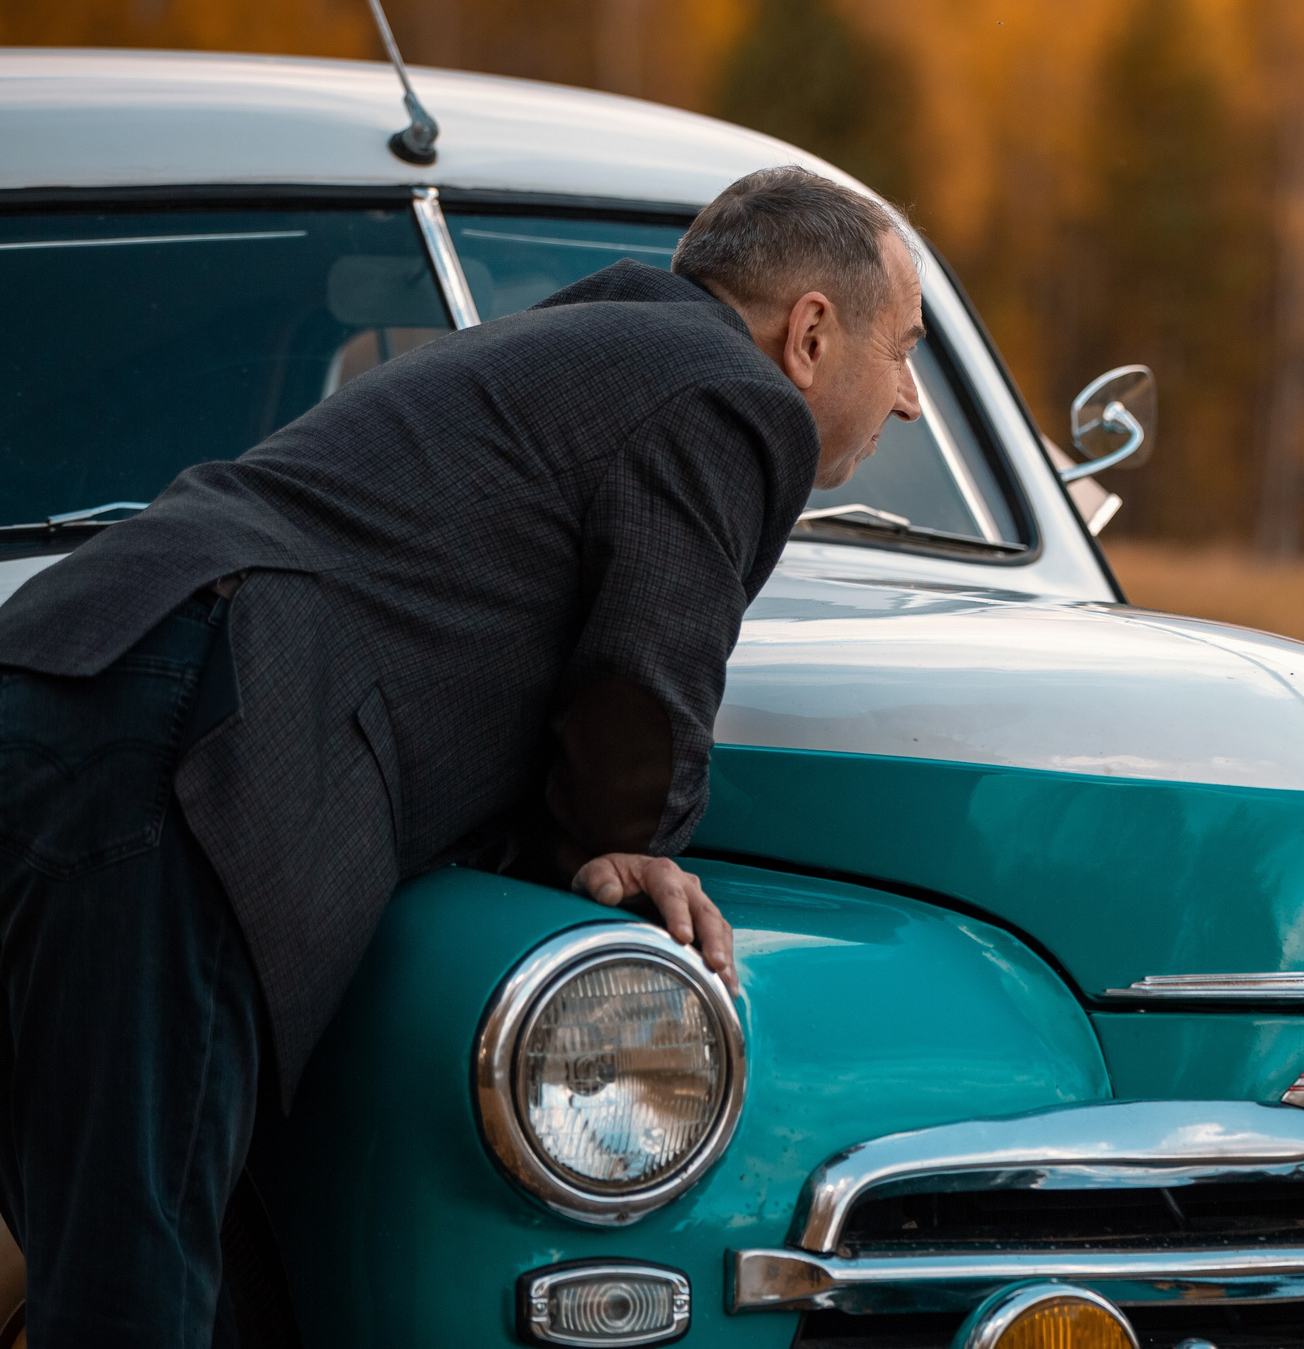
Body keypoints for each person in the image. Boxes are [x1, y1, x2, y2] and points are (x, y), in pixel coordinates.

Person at [0, 164, 922, 1348]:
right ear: (807, 334)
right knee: (141, 1272)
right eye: (901, 350)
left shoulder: (584, 350)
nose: (904, 399)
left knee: (155, 1254)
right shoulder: (724, 393)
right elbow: (647, 670)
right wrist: (622, 848)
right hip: (182, 732)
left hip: (63, 682)